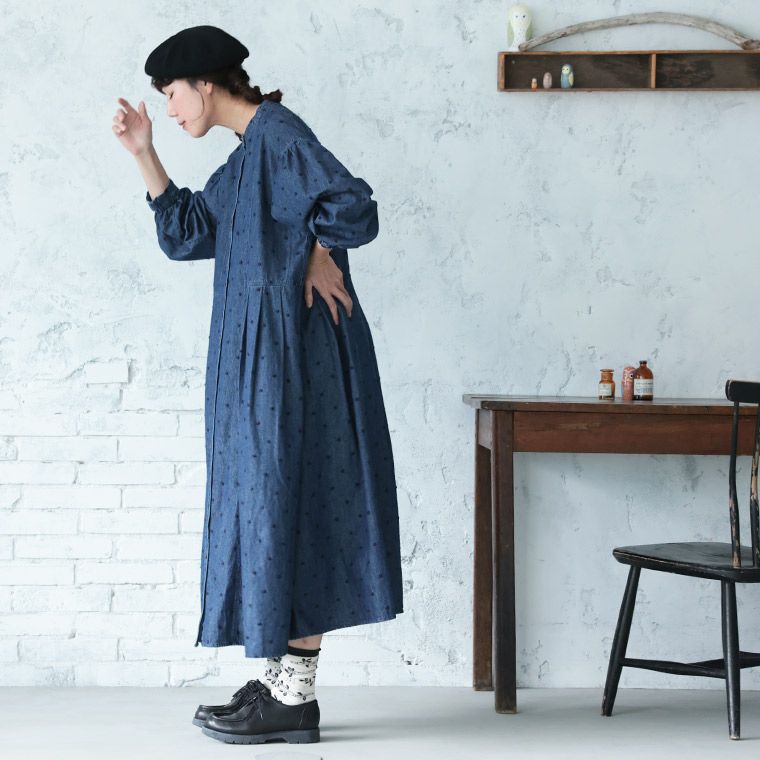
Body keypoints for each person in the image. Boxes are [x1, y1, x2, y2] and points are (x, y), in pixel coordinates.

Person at [112, 25, 404, 746]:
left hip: (297, 363)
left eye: (172, 95)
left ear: (206, 83)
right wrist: (143, 152)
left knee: (293, 507)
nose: (170, 109)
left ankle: (294, 698)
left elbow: (353, 206)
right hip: (263, 367)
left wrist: (318, 248)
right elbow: (186, 232)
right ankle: (280, 684)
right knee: (271, 509)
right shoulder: (247, 159)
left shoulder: (277, 135)